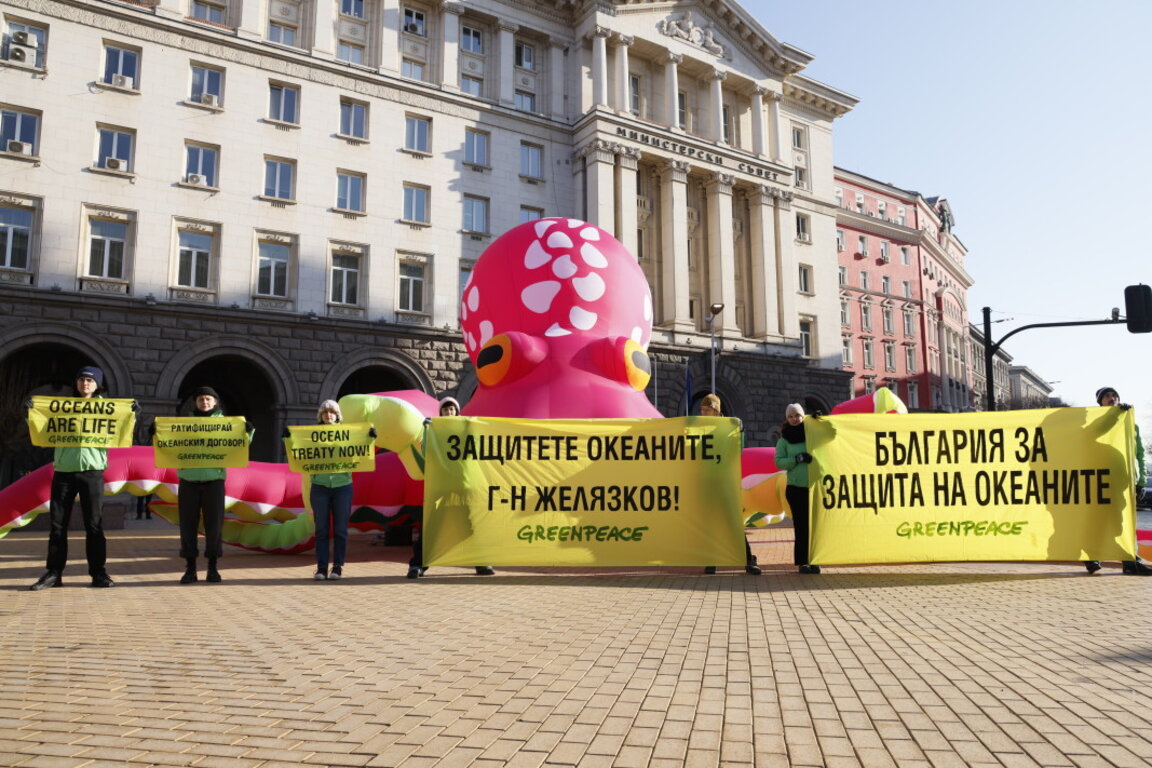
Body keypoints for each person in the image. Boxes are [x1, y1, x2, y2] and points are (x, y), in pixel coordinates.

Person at [28, 366, 117, 590]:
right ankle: (54, 573)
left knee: (94, 525)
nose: (85, 383)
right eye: (81, 379)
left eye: (90, 380)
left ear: (98, 385)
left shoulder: (108, 409)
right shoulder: (62, 408)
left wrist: (134, 414)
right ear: (76, 383)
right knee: (57, 525)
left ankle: (98, 573)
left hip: (92, 471)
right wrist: (31, 413)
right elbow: (43, 428)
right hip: (64, 472)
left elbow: (123, 432)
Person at [406, 396, 496, 579]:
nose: (449, 412)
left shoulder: (465, 431)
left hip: (462, 486)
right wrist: (427, 431)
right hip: (440, 487)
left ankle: (481, 562)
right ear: (441, 413)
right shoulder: (434, 432)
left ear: (457, 412)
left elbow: (477, 451)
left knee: (470, 526)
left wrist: (473, 429)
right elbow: (425, 453)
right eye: (445, 410)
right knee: (432, 527)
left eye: (452, 409)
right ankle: (418, 564)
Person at [176, 386, 251, 584]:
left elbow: (240, 444)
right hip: (188, 480)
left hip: (214, 481)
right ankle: (190, 568)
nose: (205, 402)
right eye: (201, 399)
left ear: (215, 402)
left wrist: (248, 433)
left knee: (214, 526)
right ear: (195, 403)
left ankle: (212, 568)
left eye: (208, 399)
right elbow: (167, 444)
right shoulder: (184, 425)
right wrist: (155, 434)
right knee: (187, 526)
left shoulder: (226, 425)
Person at [1085, 386, 1150, 576]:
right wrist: (1114, 416)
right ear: (1100, 402)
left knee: (1124, 523)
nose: (1112, 398)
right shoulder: (1095, 421)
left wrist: (1141, 481)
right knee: (1098, 522)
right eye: (1107, 396)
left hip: (1125, 479)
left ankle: (1130, 561)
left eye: (1114, 395)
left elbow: (1139, 454)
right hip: (1101, 479)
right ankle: (1092, 557)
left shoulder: (1131, 424)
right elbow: (1092, 436)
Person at [700, 394, 761, 576]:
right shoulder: (699, 428)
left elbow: (738, 449)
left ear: (716, 411)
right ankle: (712, 560)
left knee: (733, 523)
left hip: (726, 481)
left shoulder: (729, 428)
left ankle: (748, 561)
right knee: (710, 524)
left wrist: (740, 432)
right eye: (702, 409)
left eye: (707, 409)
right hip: (708, 482)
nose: (703, 412)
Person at [310, 400, 354, 580]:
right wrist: (287, 437)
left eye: (332, 412)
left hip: (342, 486)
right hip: (319, 485)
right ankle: (321, 568)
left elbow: (361, 449)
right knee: (321, 529)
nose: (329, 415)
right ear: (320, 415)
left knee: (340, 529)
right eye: (325, 412)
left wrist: (370, 437)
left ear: (337, 415)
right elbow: (296, 449)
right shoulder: (311, 435)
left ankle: (337, 567)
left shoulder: (348, 434)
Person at [776, 402, 818, 574]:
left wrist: (820, 422)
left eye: (797, 415)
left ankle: (816, 559)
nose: (794, 419)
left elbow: (833, 435)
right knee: (801, 526)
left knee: (815, 526)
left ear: (803, 416)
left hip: (814, 488)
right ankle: (803, 562)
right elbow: (778, 461)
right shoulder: (784, 439)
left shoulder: (813, 433)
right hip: (795, 489)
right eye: (790, 416)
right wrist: (797, 459)